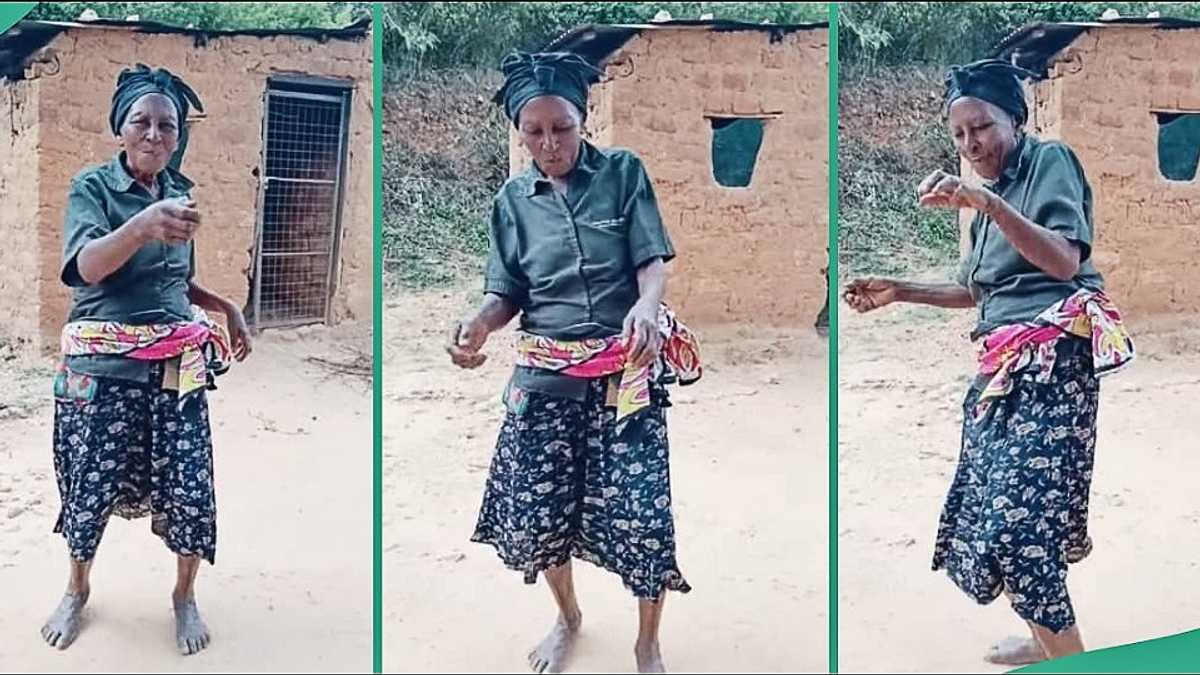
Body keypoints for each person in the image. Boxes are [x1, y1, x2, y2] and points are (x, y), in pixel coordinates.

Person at [843, 59, 1136, 666]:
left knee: (1023, 528)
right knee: (993, 514)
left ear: (1017, 120)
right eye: (958, 135)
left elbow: (1061, 261)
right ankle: (1039, 641)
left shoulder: (1049, 163)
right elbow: (978, 290)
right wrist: (899, 288)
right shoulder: (988, 198)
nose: (971, 144)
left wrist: (985, 204)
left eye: (982, 127)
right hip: (1001, 373)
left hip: (1054, 368)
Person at [446, 51, 702, 674]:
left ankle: (647, 641)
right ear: (519, 132)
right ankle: (568, 618)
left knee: (642, 515)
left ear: (582, 119)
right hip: (545, 371)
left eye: (561, 127)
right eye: (534, 131)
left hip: (626, 371)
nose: (549, 142)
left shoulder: (622, 173)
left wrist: (646, 306)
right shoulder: (512, 201)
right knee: (541, 510)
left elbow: (650, 259)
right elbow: (506, 291)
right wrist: (478, 326)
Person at [40, 64, 252, 656]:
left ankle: (184, 596)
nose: (155, 134)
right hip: (103, 372)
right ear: (120, 130)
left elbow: (176, 286)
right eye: (142, 122)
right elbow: (84, 269)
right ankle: (77, 590)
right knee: (90, 487)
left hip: (176, 367)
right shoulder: (93, 190)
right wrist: (139, 227)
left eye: (168, 125)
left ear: (179, 134)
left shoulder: (178, 196)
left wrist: (224, 304)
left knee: (189, 486)